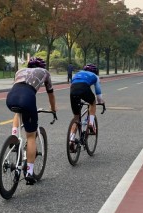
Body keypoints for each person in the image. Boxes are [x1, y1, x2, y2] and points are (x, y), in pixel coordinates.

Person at [6, 57, 57, 185]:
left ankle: (14, 137)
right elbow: (50, 93)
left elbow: (19, 87)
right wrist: (53, 109)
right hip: (28, 98)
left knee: (19, 112)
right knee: (30, 136)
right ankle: (29, 172)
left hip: (11, 97)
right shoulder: (45, 73)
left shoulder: (20, 71)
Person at [69, 63, 104, 149]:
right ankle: (91, 123)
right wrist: (101, 102)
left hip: (73, 91)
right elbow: (98, 93)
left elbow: (75, 86)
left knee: (76, 118)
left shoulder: (77, 74)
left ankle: (71, 140)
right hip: (84, 88)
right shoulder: (95, 76)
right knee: (93, 102)